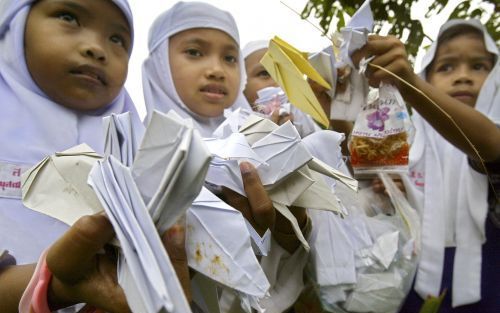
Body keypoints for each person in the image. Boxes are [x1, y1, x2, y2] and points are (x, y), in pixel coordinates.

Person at [0, 0, 190, 312]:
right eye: (68, 17)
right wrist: (53, 287)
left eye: (117, 39)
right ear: (15, 22)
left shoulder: (141, 153)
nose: (96, 49)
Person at [141, 2, 311, 311]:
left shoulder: (257, 141)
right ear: (159, 64)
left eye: (230, 58)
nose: (217, 69)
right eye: (194, 52)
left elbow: (288, 251)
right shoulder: (138, 148)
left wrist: (287, 230)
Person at [352, 19, 500, 312]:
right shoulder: (405, 151)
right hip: (411, 294)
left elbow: (489, 145)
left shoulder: (489, 139)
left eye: (478, 66)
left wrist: (411, 85)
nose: (463, 77)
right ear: (428, 77)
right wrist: (393, 194)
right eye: (446, 67)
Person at [242, 40, 321, 137]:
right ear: (242, 85)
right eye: (264, 73)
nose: (277, 82)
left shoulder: (310, 128)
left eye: (284, 74)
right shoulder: (229, 136)